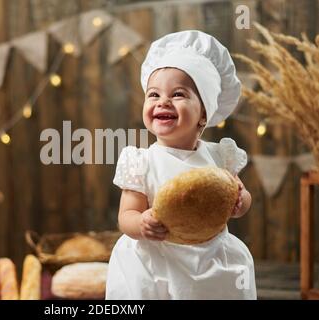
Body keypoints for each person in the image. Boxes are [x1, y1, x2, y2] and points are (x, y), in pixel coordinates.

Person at [106, 30, 257, 300]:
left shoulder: (220, 157)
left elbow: (241, 204)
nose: (162, 101)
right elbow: (126, 215)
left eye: (178, 94)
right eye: (153, 94)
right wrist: (141, 223)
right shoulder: (141, 160)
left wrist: (240, 199)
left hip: (211, 256)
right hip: (156, 259)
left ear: (203, 114)